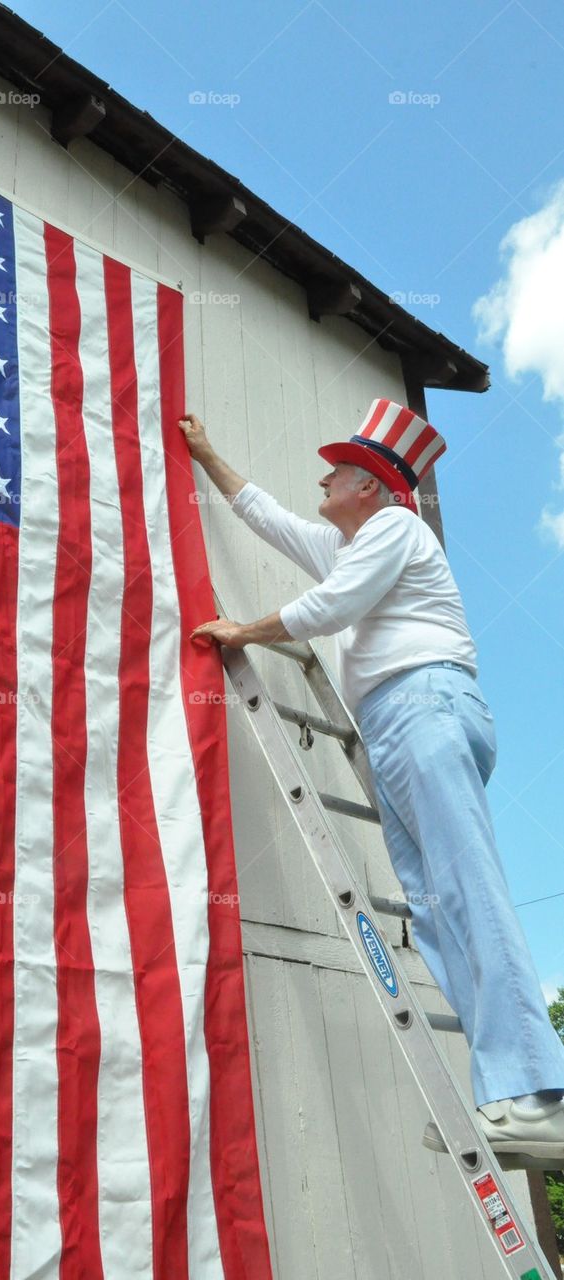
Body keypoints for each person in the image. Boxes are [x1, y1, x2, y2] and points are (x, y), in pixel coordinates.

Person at [179, 398, 564, 1167]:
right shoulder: (352, 543)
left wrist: (244, 631)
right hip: (394, 726)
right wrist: (206, 451)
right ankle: (509, 1099)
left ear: (373, 490)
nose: (320, 480)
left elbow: (332, 607)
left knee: (467, 891)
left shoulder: (395, 528)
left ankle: (544, 1097)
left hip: (423, 703)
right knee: (433, 912)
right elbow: (271, 520)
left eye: (335, 474)